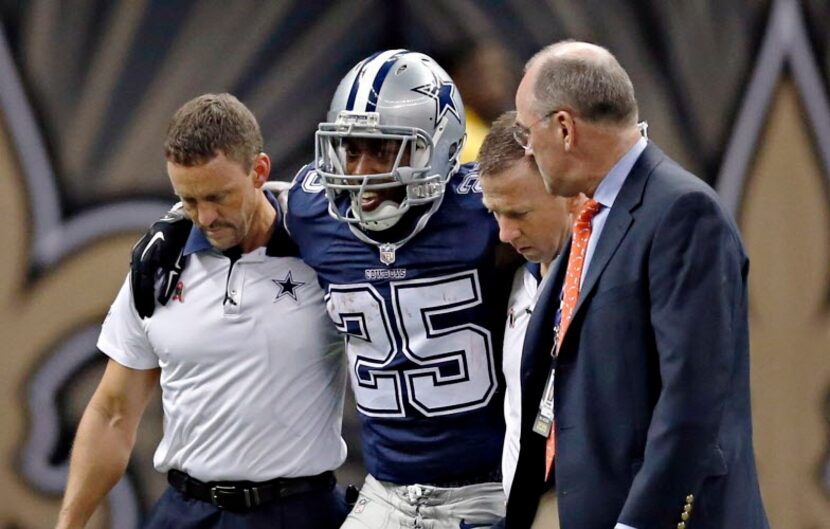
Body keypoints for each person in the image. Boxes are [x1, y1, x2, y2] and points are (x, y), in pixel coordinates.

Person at [129, 51, 514, 529]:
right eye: (351, 149)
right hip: (387, 491)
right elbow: (251, 199)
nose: (361, 171)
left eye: (383, 149)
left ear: (438, 146)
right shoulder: (317, 209)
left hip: (487, 488)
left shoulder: (489, 210)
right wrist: (171, 225)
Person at [506, 40, 770, 529]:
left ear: (564, 128)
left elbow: (693, 398)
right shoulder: (593, 215)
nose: (526, 148)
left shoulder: (684, 212)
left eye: (526, 132)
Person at [55, 93, 349, 529]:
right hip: (183, 511)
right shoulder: (159, 265)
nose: (205, 218)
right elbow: (114, 411)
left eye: (218, 196)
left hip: (297, 513)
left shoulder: (329, 251)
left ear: (259, 171)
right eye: (188, 200)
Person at [478, 111, 581, 529]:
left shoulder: (611, 284)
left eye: (518, 214)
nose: (504, 232)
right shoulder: (511, 278)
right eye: (494, 214)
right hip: (521, 506)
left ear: (568, 193)